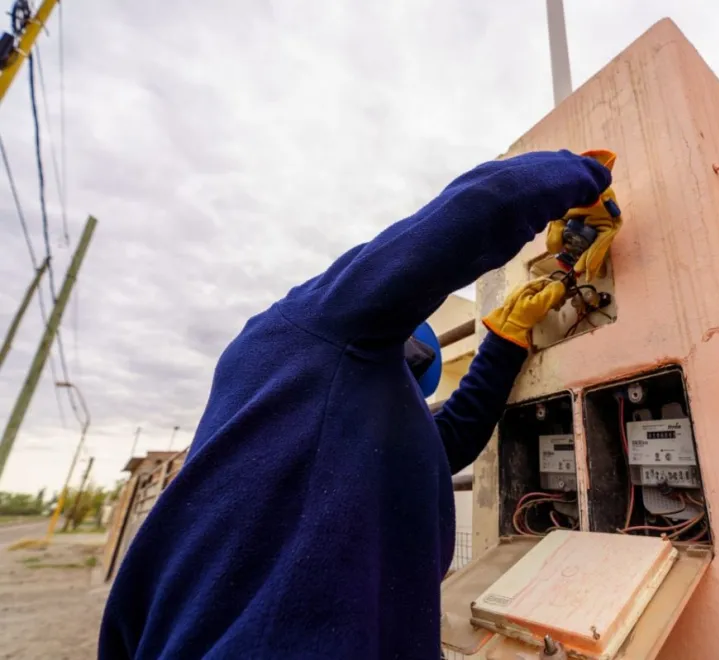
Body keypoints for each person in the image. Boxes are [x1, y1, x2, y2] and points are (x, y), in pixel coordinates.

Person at [99, 149, 619, 659]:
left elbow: (449, 440)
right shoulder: (313, 324)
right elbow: (476, 208)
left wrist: (506, 339)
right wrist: (584, 179)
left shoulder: (326, 417)